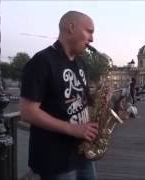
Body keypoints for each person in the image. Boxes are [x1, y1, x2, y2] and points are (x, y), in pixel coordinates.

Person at [19, 11, 98, 180]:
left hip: (82, 151)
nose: (92, 39)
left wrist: (104, 98)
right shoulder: (41, 61)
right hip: (56, 159)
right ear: (71, 27)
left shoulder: (81, 63)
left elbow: (82, 99)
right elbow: (27, 112)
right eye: (89, 31)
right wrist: (73, 129)